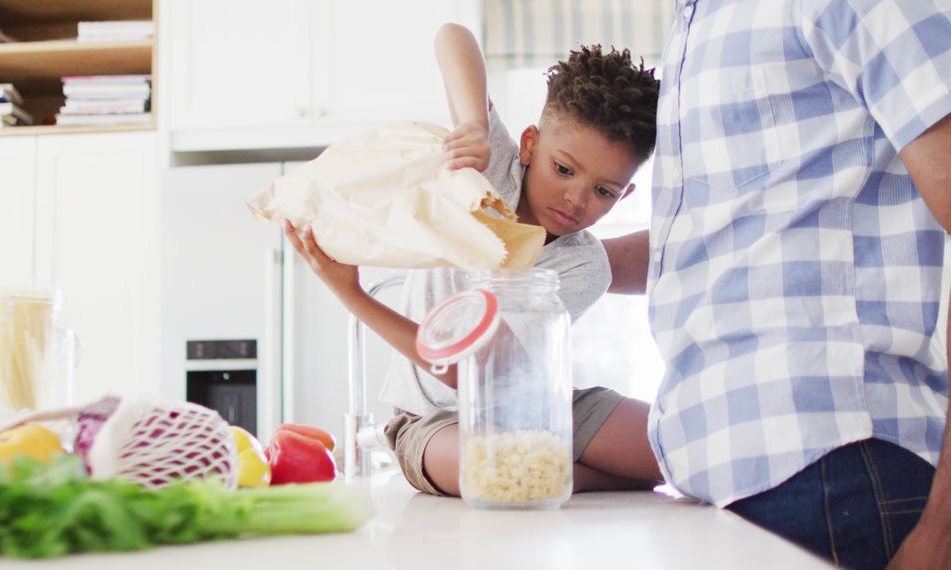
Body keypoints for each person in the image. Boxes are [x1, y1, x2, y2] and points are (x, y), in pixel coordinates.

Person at [602, 1, 951, 568]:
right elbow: (718, 235)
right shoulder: (698, 24)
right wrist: (552, 264)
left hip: (835, 471)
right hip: (725, 482)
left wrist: (943, 534)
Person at [283, 22, 663, 496]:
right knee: (493, 471)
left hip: (539, 406)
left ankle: (551, 467)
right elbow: (451, 36)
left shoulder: (585, 266)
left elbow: (491, 370)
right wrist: (474, 126)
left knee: (672, 447)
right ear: (528, 145)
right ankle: (563, 475)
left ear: (625, 195)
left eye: (603, 190)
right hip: (436, 418)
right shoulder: (492, 169)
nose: (575, 198)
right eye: (563, 169)